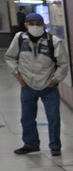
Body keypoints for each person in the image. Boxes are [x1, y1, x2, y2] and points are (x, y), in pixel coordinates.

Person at [5, 11, 68, 156]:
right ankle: (31, 144)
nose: (35, 26)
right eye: (31, 24)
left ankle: (55, 146)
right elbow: (10, 57)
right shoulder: (20, 38)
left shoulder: (54, 41)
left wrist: (54, 81)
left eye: (38, 24)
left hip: (48, 87)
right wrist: (19, 78)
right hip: (27, 85)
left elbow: (63, 64)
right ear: (25, 25)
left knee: (53, 117)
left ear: (43, 24)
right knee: (27, 117)